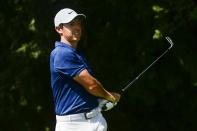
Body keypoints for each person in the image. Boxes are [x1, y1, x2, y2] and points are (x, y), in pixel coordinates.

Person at [50, 8, 120, 131]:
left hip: (95, 119)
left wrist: (99, 100)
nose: (77, 27)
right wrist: (109, 96)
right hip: (74, 125)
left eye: (79, 23)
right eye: (71, 24)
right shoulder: (62, 53)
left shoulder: (75, 53)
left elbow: (82, 89)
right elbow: (92, 86)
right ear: (59, 29)